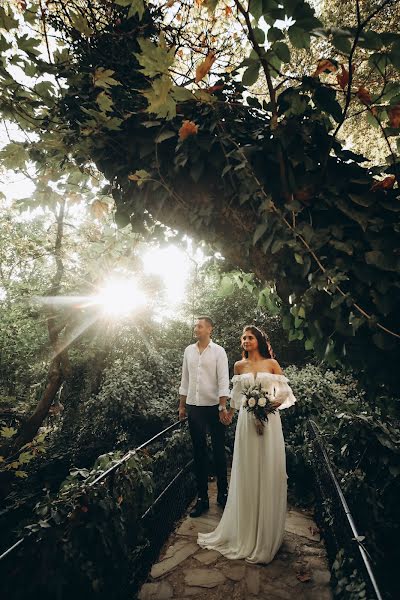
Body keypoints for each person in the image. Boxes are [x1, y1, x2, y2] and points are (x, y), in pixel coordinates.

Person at [197, 325, 296, 563]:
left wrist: (268, 406)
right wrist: (228, 413)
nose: (245, 340)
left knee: (268, 470)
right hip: (246, 423)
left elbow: (285, 393)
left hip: (269, 422)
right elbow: (237, 395)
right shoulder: (239, 366)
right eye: (243, 338)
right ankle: (246, 529)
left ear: (259, 340)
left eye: (250, 337)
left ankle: (266, 533)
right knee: (248, 470)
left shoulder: (271, 363)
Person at [179, 316, 230, 518]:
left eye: (199, 326)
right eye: (195, 326)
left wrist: (223, 405)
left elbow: (223, 380)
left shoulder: (219, 351)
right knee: (198, 453)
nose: (196, 328)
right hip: (194, 407)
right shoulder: (188, 351)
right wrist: (182, 405)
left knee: (218, 451)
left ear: (209, 329)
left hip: (214, 407)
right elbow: (185, 379)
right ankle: (202, 499)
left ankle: (223, 494)